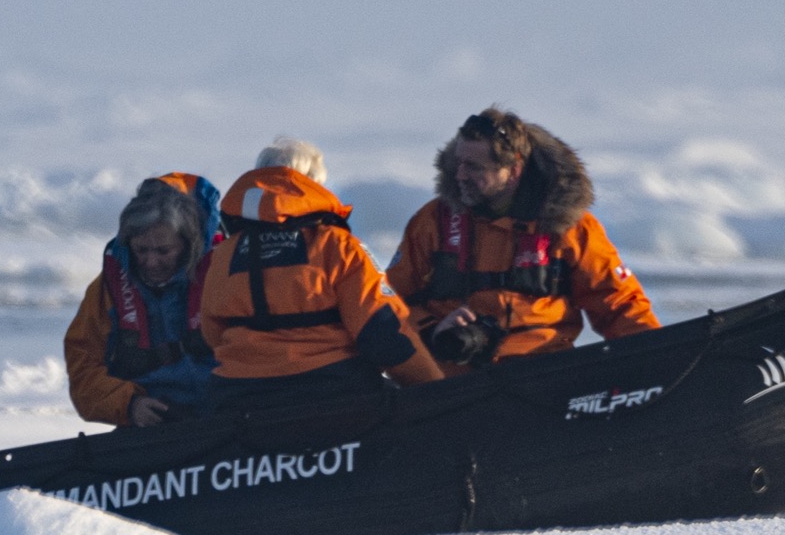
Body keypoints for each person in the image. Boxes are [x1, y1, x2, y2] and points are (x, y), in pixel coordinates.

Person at [388, 107, 661, 367]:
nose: (460, 175)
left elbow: (617, 303)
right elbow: (389, 301)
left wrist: (659, 358)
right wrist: (433, 329)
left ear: (513, 172)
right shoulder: (433, 222)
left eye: (473, 167)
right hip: (454, 377)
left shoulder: (568, 226)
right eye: (458, 163)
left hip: (543, 374)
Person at [196, 137, 446, 411]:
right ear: (312, 185)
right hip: (331, 390)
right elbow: (383, 332)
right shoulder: (338, 246)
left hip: (238, 395)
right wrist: (435, 390)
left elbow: (213, 334)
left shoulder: (223, 256)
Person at [62, 171, 220, 428]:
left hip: (223, 417)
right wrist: (129, 405)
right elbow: (83, 371)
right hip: (149, 423)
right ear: (128, 244)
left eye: (163, 251)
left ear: (188, 244)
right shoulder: (106, 291)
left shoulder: (225, 272)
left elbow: (259, 349)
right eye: (141, 250)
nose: (151, 262)